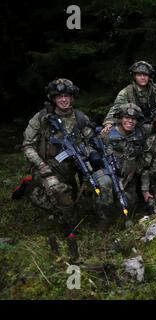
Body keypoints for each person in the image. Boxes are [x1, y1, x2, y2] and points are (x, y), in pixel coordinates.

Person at [22, 78, 94, 259]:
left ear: (72, 97)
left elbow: (91, 141)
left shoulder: (80, 117)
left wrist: (90, 156)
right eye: (60, 96)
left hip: (73, 168)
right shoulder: (41, 118)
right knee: (59, 193)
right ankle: (31, 189)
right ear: (54, 98)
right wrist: (41, 165)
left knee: (93, 190)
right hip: (48, 167)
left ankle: (70, 210)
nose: (64, 100)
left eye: (67, 96)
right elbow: (27, 145)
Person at [95, 103, 146, 226]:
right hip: (109, 175)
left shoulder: (140, 134)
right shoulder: (107, 134)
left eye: (133, 119)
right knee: (104, 185)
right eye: (126, 118)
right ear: (120, 119)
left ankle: (117, 218)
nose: (130, 121)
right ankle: (103, 221)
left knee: (130, 204)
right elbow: (92, 150)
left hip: (128, 178)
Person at [101, 61, 156, 135]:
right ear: (134, 77)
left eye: (145, 75)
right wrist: (109, 123)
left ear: (149, 77)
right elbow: (116, 109)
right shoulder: (126, 92)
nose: (142, 77)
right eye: (139, 75)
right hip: (136, 126)